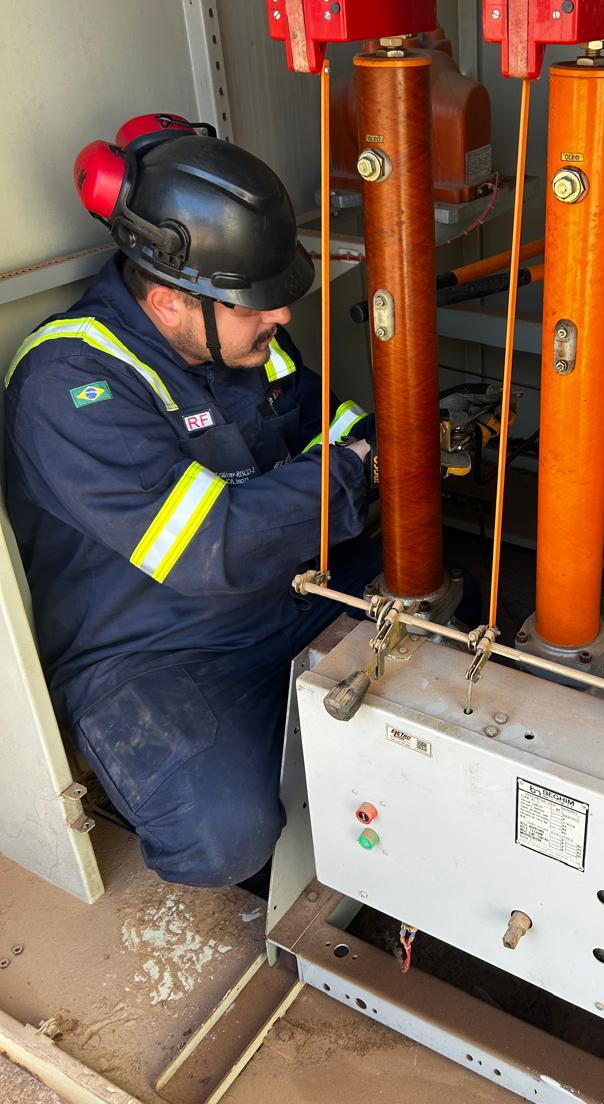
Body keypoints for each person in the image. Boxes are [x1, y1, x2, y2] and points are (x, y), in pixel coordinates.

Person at [4, 114, 381, 888]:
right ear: (168, 301)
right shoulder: (71, 383)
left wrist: (362, 456)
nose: (281, 317)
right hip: (151, 650)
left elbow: (336, 424)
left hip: (282, 589)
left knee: (442, 599)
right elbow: (210, 545)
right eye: (256, 305)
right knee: (226, 833)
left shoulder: (240, 336)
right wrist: (349, 474)